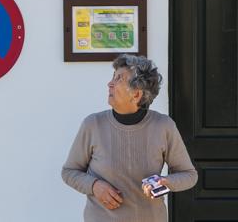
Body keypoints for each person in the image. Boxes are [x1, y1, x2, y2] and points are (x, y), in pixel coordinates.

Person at [61, 54, 198, 221]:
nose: (110, 83)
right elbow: (69, 172)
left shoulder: (163, 126)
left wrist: (164, 182)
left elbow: (189, 175)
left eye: (119, 79)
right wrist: (94, 186)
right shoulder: (93, 124)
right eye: (113, 77)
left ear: (137, 94)